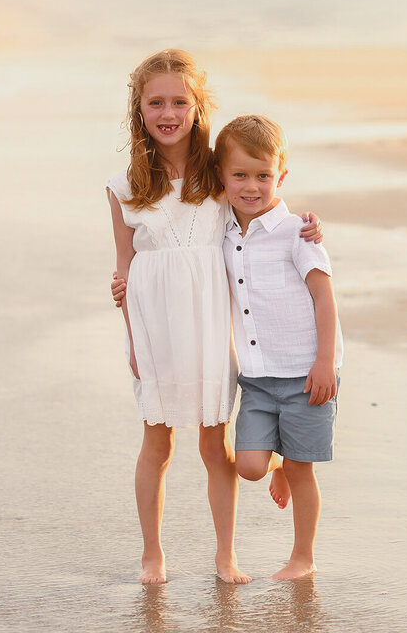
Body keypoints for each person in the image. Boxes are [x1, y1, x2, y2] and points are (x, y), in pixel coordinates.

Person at [106, 50, 322, 585]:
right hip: (154, 325)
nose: (168, 113)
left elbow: (264, 201)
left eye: (180, 101)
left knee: (212, 442)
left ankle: (224, 555)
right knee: (157, 441)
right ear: (139, 111)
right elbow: (125, 268)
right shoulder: (124, 185)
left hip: (208, 322)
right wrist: (132, 338)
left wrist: (310, 227)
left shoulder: (217, 172)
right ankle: (151, 553)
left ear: (198, 107)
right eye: (156, 102)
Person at [216, 114, 342, 580]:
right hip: (258, 376)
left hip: (307, 374)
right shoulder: (224, 233)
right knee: (249, 465)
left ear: (281, 176)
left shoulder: (298, 232)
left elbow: (323, 296)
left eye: (264, 175)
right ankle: (278, 465)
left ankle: (302, 557)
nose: (252, 186)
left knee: (302, 467)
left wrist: (325, 361)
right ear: (222, 178)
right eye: (240, 175)